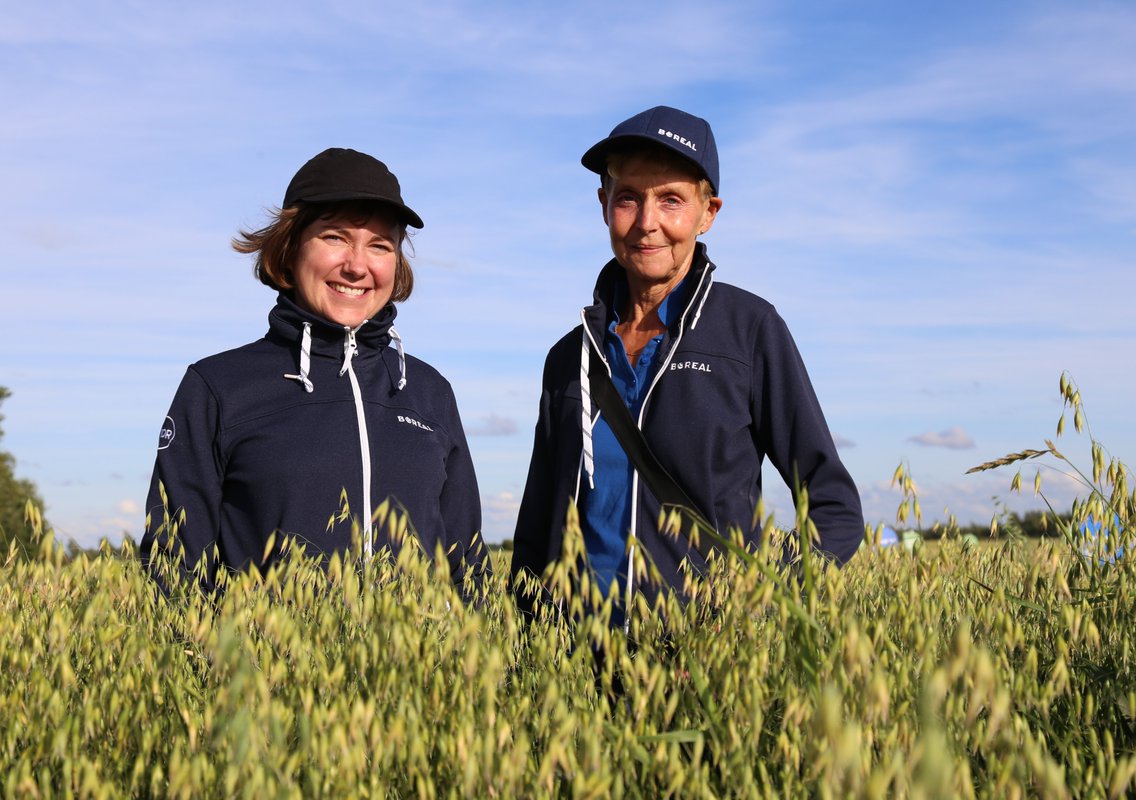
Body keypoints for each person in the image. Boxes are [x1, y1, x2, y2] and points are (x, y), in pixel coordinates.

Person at [510, 106, 863, 619]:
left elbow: (834, 508)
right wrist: (533, 656)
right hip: (578, 672)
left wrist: (745, 615)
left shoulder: (749, 331)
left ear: (708, 212)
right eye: (628, 198)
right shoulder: (569, 356)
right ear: (603, 203)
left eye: (671, 200)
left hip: (704, 671)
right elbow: (536, 525)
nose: (647, 223)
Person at [141, 147, 488, 593]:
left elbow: (468, 567)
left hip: (419, 664)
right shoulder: (217, 387)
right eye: (334, 238)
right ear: (289, 247)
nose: (357, 265)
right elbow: (174, 572)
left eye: (380, 246)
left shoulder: (428, 390)